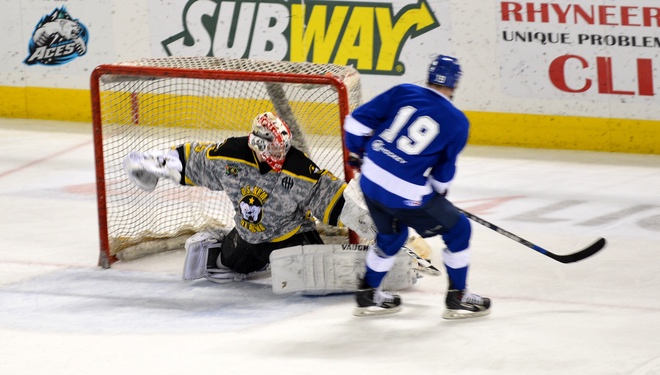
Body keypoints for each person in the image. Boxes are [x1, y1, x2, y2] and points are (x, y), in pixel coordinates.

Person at [343, 54, 491, 319]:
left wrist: (357, 152)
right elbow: (443, 174)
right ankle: (458, 297)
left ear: (430, 76)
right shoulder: (458, 122)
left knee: (393, 235)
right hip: (404, 193)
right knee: (459, 229)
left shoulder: (404, 91)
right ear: (455, 84)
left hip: (370, 181)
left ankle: (368, 293)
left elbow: (355, 122)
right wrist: (439, 196)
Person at [123, 111, 347, 283]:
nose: (282, 154)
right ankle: (223, 240)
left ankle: (277, 257)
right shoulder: (232, 155)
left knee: (318, 272)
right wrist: (158, 162)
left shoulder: (299, 167)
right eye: (276, 150)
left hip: (290, 237)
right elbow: (197, 161)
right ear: (259, 144)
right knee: (226, 263)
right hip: (248, 237)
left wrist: (370, 214)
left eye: (283, 148)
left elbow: (330, 195)